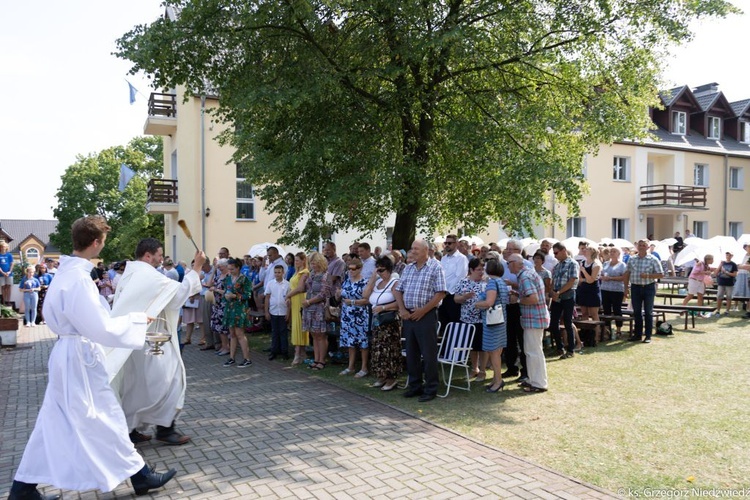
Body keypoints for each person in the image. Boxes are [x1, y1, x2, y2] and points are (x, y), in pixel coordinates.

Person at [8, 215, 175, 500]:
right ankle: (141, 476)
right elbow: (100, 327)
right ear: (96, 243)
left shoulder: (66, 272)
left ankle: (22, 489)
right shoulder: (78, 279)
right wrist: (137, 320)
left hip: (67, 354)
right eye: (104, 241)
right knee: (105, 418)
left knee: (54, 421)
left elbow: (74, 316)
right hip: (79, 358)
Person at [106, 238, 205, 446]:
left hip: (137, 339)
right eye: (159, 255)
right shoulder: (146, 275)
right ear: (148, 255)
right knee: (169, 379)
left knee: (137, 385)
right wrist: (196, 267)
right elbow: (178, 296)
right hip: (151, 340)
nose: (162, 259)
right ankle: (165, 429)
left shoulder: (131, 273)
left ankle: (132, 429)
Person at [393, 239, 447, 403]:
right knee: (411, 353)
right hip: (408, 315)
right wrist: (402, 309)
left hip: (426, 315)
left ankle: (430, 388)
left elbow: (441, 293)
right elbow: (398, 290)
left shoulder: (436, 267)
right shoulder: (408, 268)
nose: (413, 251)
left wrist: (422, 311)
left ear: (426, 250)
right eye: (412, 249)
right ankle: (415, 386)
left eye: (416, 249)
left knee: (428, 354)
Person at [508, 254, 550, 393]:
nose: (507, 266)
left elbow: (533, 298)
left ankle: (538, 383)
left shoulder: (525, 277)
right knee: (531, 350)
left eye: (508, 263)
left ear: (515, 263)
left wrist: (518, 300)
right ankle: (533, 379)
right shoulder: (527, 274)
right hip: (534, 318)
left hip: (534, 318)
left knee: (533, 351)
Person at [472, 258, 509, 393]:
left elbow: (489, 302)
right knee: (497, 351)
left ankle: (498, 381)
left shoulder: (492, 283)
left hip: (492, 322)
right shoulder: (502, 282)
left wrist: (476, 304)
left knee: (493, 351)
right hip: (501, 319)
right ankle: (495, 379)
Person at [366, 256, 401, 391]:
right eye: (377, 270)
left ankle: (391, 378)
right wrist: (372, 279)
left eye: (382, 270)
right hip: (377, 321)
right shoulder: (377, 282)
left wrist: (383, 307)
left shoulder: (395, 283)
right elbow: (365, 295)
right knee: (378, 350)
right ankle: (382, 376)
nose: (380, 272)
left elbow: (399, 303)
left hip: (389, 320)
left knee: (389, 350)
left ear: (389, 269)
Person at [624, 239, 664, 343]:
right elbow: (627, 273)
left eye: (644, 245)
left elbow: (661, 274)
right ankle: (637, 335)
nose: (641, 247)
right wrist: (625, 288)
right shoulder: (632, 259)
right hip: (635, 287)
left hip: (648, 287)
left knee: (648, 312)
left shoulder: (653, 259)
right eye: (640, 245)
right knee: (636, 312)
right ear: (637, 247)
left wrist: (648, 276)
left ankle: (648, 335)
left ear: (648, 247)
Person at [454, 258, 488, 382]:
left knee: (482, 346)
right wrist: (464, 297)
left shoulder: (486, 282)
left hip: (482, 320)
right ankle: (474, 369)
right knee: (472, 346)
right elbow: (456, 299)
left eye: (482, 269)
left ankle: (483, 370)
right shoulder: (463, 282)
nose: (481, 272)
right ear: (471, 270)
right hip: (467, 320)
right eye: (478, 269)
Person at [549, 243, 579, 358]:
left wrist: (558, 292)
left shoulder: (572, 264)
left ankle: (570, 350)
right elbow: (553, 281)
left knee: (567, 322)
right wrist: (552, 292)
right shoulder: (557, 266)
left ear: (563, 250)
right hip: (557, 296)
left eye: (556, 252)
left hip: (568, 296)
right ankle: (559, 348)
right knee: (553, 322)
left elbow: (572, 281)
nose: (555, 255)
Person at [222, 257, 253, 367]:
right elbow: (226, 290)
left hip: (240, 308)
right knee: (232, 334)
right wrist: (225, 296)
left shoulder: (244, 279)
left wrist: (235, 296)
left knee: (240, 334)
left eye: (232, 269)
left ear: (238, 268)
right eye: (229, 269)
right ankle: (231, 357)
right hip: (230, 308)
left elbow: (248, 295)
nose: (230, 271)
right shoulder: (228, 278)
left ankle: (247, 358)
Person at [303, 252, 331, 370]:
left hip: (319, 307)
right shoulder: (312, 274)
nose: (313, 265)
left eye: (314, 263)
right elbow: (307, 288)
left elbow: (323, 293)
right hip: (309, 307)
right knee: (314, 334)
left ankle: (322, 360)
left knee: (321, 335)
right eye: (311, 263)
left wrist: (310, 301)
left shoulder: (326, 275)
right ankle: (316, 359)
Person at [438, 234, 469, 329]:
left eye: (450, 243)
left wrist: (447, 291)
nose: (447, 245)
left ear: (456, 244)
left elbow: (460, 277)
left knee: (454, 323)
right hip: (442, 295)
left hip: (453, 295)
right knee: (443, 321)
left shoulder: (461, 258)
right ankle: (445, 342)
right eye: (446, 243)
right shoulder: (444, 258)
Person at [286, 252, 310, 365]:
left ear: (303, 260)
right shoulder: (296, 272)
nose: (296, 262)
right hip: (294, 300)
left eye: (298, 260)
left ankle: (298, 353)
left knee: (299, 325)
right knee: (295, 325)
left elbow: (300, 288)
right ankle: (302, 353)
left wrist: (288, 295)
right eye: (295, 260)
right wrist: (289, 297)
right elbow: (292, 286)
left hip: (300, 299)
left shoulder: (304, 272)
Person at [265, 264, 291, 360]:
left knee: (283, 332)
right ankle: (274, 351)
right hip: (273, 311)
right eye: (275, 272)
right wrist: (266, 311)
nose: (277, 274)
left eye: (279, 272)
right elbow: (267, 298)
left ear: (283, 273)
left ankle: (284, 351)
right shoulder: (270, 283)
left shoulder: (287, 284)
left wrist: (288, 312)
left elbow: (289, 300)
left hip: (283, 311)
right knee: (274, 332)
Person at [576, 246, 603, 340]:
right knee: (584, 313)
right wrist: (584, 279)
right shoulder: (582, 262)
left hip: (592, 290)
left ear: (592, 252)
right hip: (583, 290)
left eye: (587, 250)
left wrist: (583, 271)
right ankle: (585, 334)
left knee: (594, 313)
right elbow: (580, 278)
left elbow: (591, 280)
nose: (585, 251)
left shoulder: (596, 264)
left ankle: (596, 336)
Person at [600, 247, 627, 338]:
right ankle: (607, 330)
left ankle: (618, 329)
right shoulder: (606, 264)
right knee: (606, 310)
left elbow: (624, 277)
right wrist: (603, 277)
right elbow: (602, 274)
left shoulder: (622, 265)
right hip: (605, 289)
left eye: (614, 251)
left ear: (618, 254)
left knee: (617, 309)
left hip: (617, 290)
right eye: (611, 251)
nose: (612, 253)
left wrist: (611, 278)